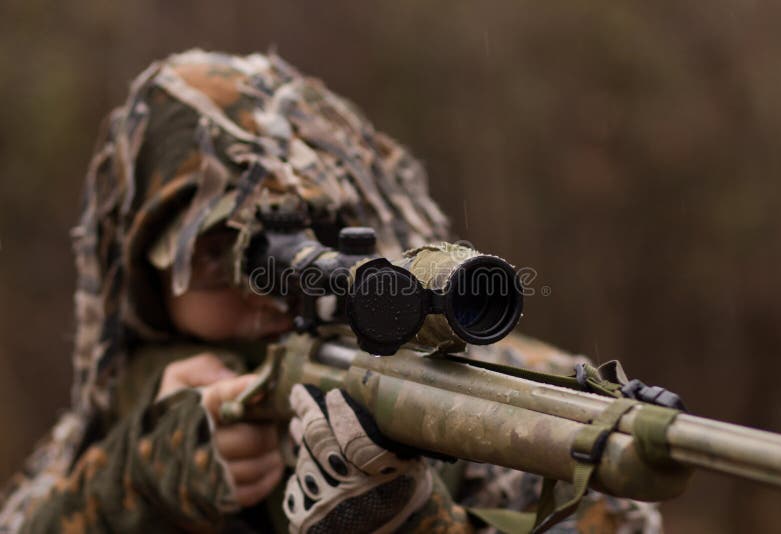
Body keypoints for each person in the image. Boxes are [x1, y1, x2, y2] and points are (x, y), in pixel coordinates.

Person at [0, 50, 660, 533]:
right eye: (212, 256)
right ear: (144, 278)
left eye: (321, 231)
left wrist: (408, 520)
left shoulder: (505, 388)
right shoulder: (125, 411)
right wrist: (141, 478)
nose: (257, 294)